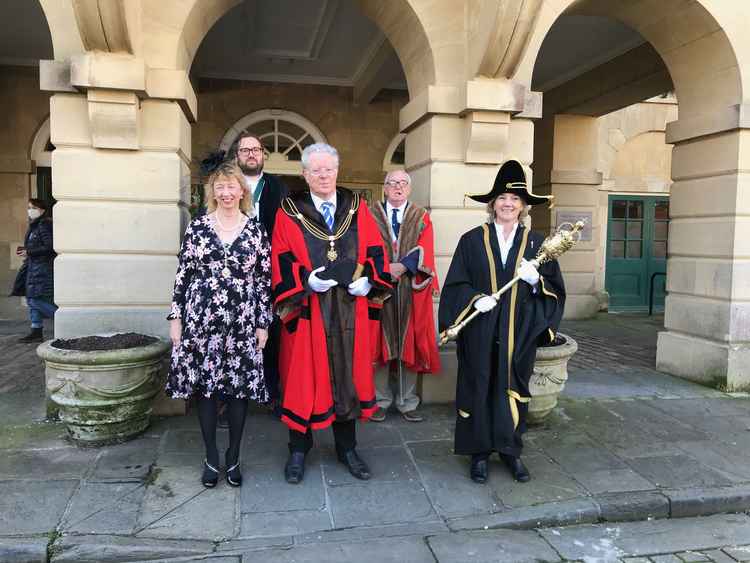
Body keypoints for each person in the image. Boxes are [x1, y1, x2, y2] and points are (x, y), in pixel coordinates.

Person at [438, 159, 565, 484]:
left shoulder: (537, 244)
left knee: (512, 387)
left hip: (517, 333)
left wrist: (536, 279)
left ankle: (510, 451)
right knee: (478, 385)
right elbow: (455, 284)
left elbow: (555, 289)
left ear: (523, 207)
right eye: (502, 199)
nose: (508, 204)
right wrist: (474, 299)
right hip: (480, 330)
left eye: (515, 200)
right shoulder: (471, 240)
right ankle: (479, 454)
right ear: (493, 204)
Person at [271, 143, 392, 484]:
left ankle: (347, 448)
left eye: (330, 169)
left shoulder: (357, 208)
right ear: (305, 174)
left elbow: (375, 249)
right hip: (309, 309)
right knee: (303, 377)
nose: (324, 176)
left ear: (337, 171)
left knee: (347, 374)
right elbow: (279, 255)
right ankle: (298, 449)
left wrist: (369, 281)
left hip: (349, 310)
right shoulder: (289, 210)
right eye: (317, 170)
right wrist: (305, 281)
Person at [166, 161, 272, 488]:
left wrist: (262, 323)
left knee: (238, 390)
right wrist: (176, 317)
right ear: (213, 192)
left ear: (243, 191)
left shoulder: (255, 230)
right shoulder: (198, 227)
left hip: (242, 321)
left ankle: (234, 455)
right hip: (201, 320)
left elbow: (263, 280)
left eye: (232, 186)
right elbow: (183, 274)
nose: (226, 193)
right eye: (220, 187)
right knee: (207, 389)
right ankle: (212, 456)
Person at [370, 170, 440, 422]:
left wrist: (402, 267)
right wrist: (384, 268)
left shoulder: (421, 217)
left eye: (402, 183)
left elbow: (426, 245)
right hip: (379, 288)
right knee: (379, 345)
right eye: (392, 183)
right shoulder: (370, 214)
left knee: (409, 343)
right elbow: (364, 245)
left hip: (411, 289)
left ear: (409, 189)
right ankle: (379, 400)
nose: (397, 187)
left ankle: (407, 402)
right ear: (385, 188)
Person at [12, 198, 57, 343]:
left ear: (41, 210)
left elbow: (49, 247)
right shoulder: (35, 225)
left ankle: (62, 318)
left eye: (33, 207)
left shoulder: (44, 225)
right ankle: (36, 331)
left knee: (34, 300)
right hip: (34, 267)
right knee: (31, 298)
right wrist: (27, 252)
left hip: (42, 268)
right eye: (29, 207)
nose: (29, 210)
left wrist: (29, 252)